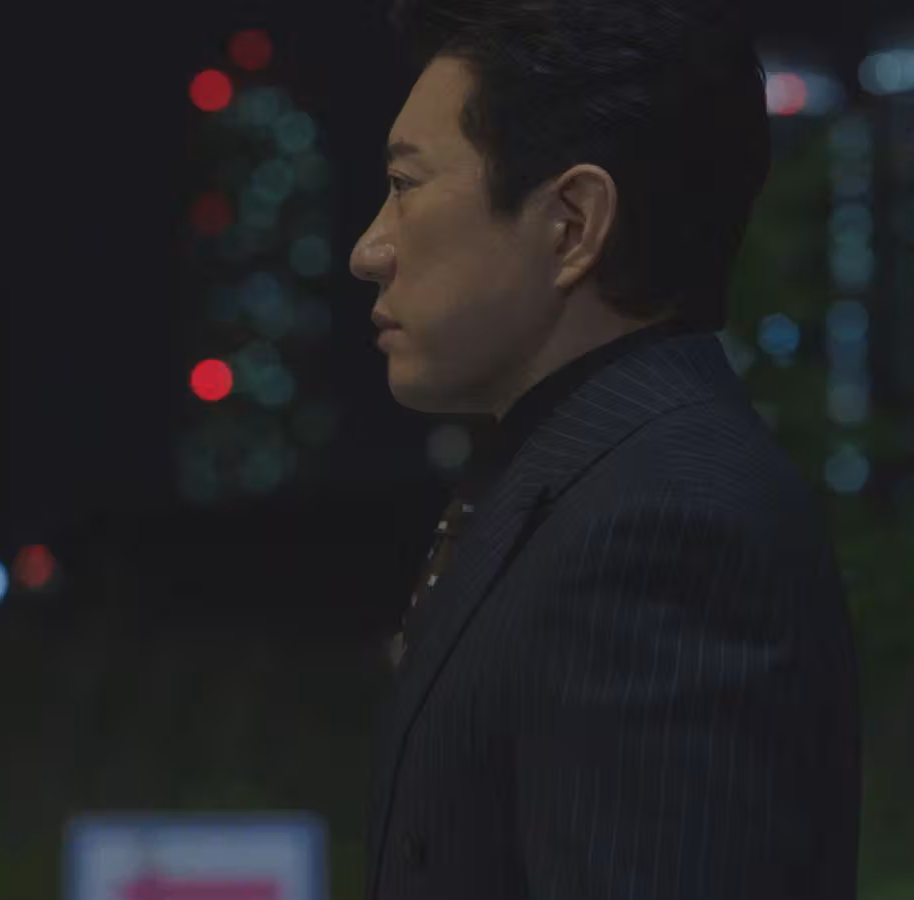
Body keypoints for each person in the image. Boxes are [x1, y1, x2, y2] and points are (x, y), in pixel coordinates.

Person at [350, 0, 861, 897]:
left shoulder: (663, 523)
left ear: (573, 222)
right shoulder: (585, 478)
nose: (370, 249)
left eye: (406, 183)